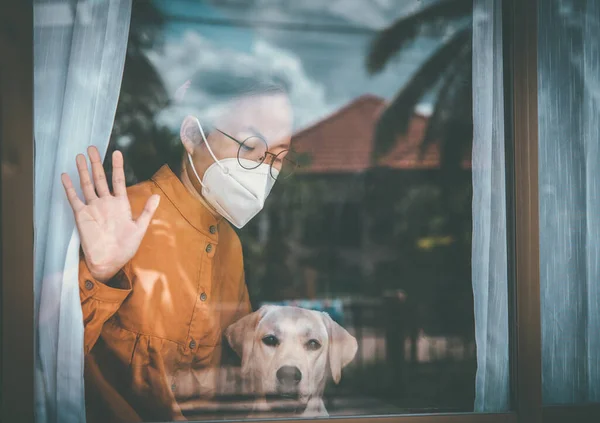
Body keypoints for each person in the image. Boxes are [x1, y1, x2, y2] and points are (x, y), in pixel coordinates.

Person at [61, 80, 294, 422]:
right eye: (251, 146)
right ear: (190, 134)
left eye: (277, 158)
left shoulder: (232, 247)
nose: (264, 168)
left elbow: (238, 370)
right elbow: (45, 358)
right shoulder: (120, 218)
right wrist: (100, 274)